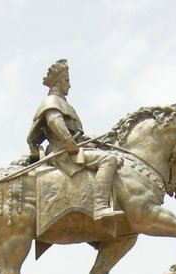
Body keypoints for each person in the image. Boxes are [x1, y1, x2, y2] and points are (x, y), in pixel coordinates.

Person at [26, 59, 122, 220]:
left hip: (71, 148)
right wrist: (69, 142)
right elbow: (54, 122)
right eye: (67, 81)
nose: (69, 85)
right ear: (56, 82)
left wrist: (92, 139)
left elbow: (75, 133)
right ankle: (100, 206)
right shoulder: (51, 102)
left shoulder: (64, 103)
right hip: (63, 152)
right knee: (109, 160)